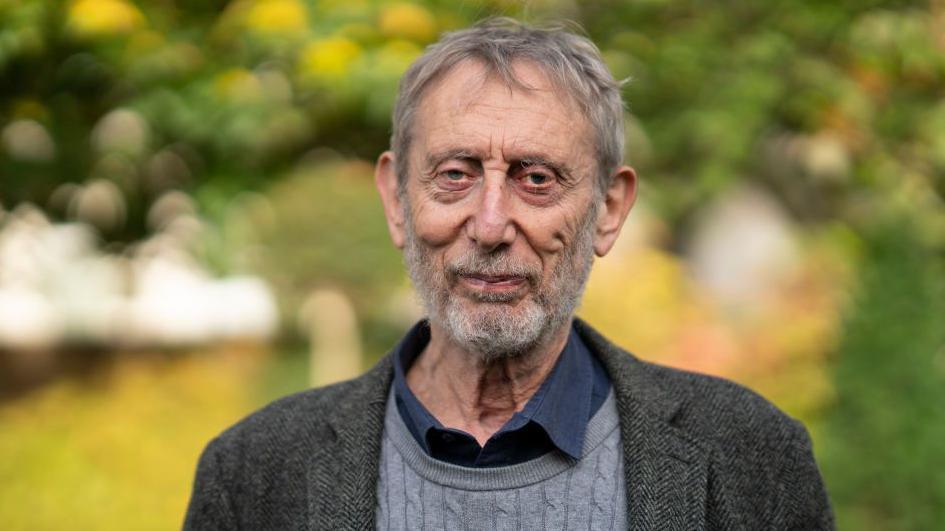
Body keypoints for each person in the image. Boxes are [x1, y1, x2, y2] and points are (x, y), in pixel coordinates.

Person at [184, 18, 834, 530]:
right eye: (454, 175)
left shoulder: (752, 457)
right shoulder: (253, 474)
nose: (490, 224)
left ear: (608, 210)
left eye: (536, 178)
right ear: (396, 201)